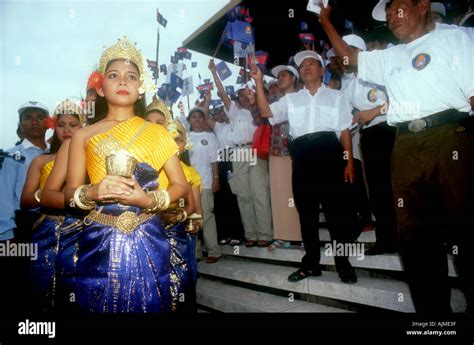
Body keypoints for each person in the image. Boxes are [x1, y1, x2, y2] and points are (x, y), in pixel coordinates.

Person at [319, 0, 473, 314]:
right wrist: (324, 20)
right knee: (415, 238)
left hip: (449, 135)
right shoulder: (390, 56)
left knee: (465, 228)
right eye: (387, 15)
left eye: (397, 9)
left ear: (422, 6)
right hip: (404, 145)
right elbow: (349, 57)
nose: (391, 18)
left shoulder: (455, 38)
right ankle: (434, 319)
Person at [64, 37, 190, 313]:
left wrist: (149, 201)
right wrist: (92, 192)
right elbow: (69, 195)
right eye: (114, 75)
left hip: (148, 231)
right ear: (100, 85)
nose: (123, 82)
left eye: (131, 76)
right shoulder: (83, 136)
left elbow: (181, 185)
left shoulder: (157, 133)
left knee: (152, 302)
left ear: (141, 86)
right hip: (98, 234)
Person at [251, 50, 358, 284]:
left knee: (335, 215)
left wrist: (348, 162)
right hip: (301, 156)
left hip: (329, 152)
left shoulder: (337, 96)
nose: (307, 67)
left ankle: (343, 263)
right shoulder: (291, 99)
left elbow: (344, 131)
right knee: (306, 214)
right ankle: (311, 264)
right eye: (303, 66)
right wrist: (259, 81)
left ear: (322, 71)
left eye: (312, 64)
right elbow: (266, 112)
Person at [20, 99, 84, 311]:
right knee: (41, 290)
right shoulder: (42, 161)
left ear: (83, 127)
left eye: (73, 125)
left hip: (80, 231)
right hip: (46, 231)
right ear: (53, 127)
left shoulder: (90, 159)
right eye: (61, 124)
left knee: (76, 288)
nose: (66, 130)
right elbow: (25, 200)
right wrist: (49, 195)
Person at [209, 59, 273, 248]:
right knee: (243, 195)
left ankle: (265, 234)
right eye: (241, 96)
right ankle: (250, 234)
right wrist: (214, 72)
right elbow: (222, 93)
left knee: (259, 193)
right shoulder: (234, 111)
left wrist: (256, 81)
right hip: (238, 153)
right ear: (237, 99)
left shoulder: (259, 110)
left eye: (248, 95)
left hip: (254, 151)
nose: (245, 98)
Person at [0, 101, 49, 313]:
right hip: (23, 227)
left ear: (48, 123)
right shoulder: (13, 156)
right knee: (21, 284)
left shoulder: (58, 152)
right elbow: (4, 197)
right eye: (28, 117)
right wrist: (6, 234)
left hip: (50, 224)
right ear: (21, 124)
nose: (34, 122)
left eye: (39, 117)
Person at [201, 92, 244, 246]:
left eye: (223, 111)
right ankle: (224, 233)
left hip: (237, 159)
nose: (221, 114)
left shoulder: (237, 123)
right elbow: (205, 117)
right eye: (218, 112)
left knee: (235, 197)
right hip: (221, 163)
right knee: (222, 199)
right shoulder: (219, 128)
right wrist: (207, 101)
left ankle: (238, 233)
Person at [266, 64, 302, 251]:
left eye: (284, 75)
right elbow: (266, 114)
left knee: (298, 193)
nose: (280, 78)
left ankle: (302, 235)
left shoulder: (303, 97)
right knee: (280, 193)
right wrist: (257, 84)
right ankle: (281, 235)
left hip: (297, 150)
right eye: (278, 76)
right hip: (277, 151)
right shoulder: (279, 102)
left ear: (294, 78)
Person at [186, 106, 221, 263]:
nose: (197, 119)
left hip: (206, 181)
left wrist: (216, 177)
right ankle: (196, 251)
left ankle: (213, 250)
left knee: (207, 215)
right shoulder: (185, 137)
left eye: (199, 116)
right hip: (190, 184)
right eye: (193, 117)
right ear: (189, 120)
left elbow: (214, 160)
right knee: (193, 216)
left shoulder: (210, 136)